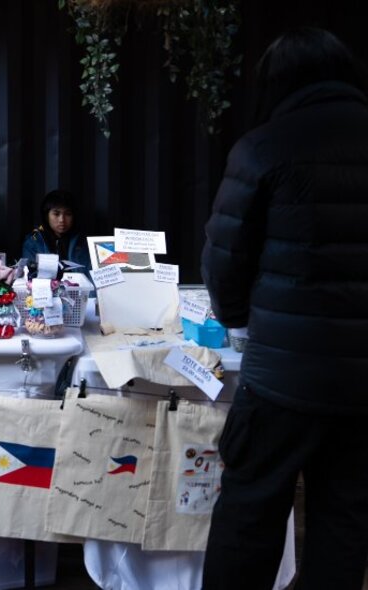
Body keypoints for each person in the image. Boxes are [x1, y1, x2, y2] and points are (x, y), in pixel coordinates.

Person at [201, 28, 368, 589]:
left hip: (280, 381)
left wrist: (239, 318)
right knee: (345, 523)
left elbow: (225, 268)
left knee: (249, 514)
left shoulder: (264, 146)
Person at [21, 190, 90, 270]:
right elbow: (30, 274)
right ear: (47, 216)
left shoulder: (82, 241)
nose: (62, 220)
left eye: (68, 214)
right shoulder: (34, 241)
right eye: (56, 214)